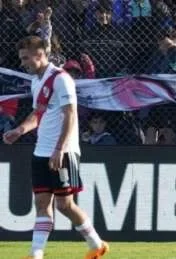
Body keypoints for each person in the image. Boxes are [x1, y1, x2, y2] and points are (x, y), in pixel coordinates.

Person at [2, 36, 109, 259]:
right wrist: (20, 130)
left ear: (40, 54)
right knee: (41, 202)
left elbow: (70, 114)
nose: (23, 63)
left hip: (63, 151)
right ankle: (36, 254)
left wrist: (59, 149)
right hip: (41, 150)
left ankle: (97, 244)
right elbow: (39, 113)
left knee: (64, 205)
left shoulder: (61, 79)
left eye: (26, 58)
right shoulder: (35, 81)